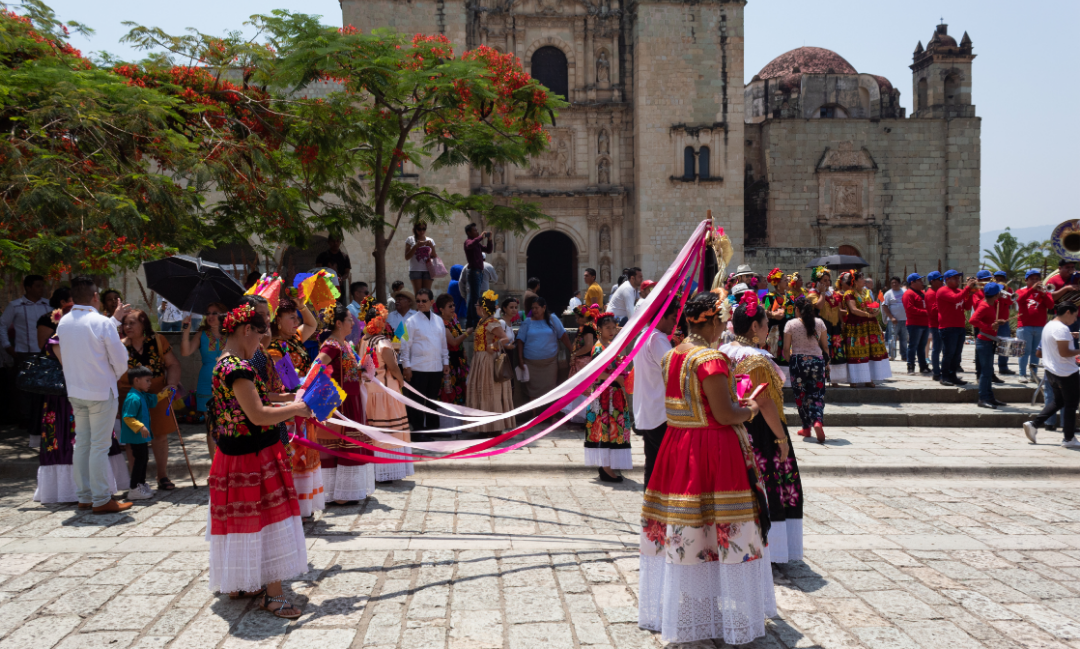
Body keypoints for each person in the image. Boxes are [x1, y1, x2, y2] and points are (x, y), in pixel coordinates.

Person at [638, 292, 774, 645]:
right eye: (721, 321)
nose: (723, 327)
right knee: (719, 524)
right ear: (711, 322)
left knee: (692, 524)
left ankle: (695, 601)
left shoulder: (672, 355)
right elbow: (725, 414)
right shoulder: (710, 359)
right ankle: (714, 603)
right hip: (713, 448)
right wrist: (750, 410)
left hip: (678, 444)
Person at [206, 304, 310, 616]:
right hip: (255, 456)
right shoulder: (239, 367)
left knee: (243, 523)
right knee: (268, 521)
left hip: (235, 454)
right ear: (246, 330)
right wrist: (297, 410)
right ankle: (273, 594)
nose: (263, 339)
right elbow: (257, 414)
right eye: (260, 331)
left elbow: (256, 401)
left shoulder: (224, 363)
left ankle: (244, 580)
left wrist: (290, 400)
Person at [722, 289, 804, 563]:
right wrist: (781, 439)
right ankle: (772, 550)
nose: (769, 327)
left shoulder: (725, 351)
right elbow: (765, 402)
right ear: (755, 326)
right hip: (763, 432)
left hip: (738, 428)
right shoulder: (756, 359)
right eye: (766, 323)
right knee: (771, 486)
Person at [55, 276, 133, 514]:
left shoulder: (64, 322)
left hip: (76, 390)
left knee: (83, 444)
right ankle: (100, 499)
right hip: (100, 390)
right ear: (94, 297)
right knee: (98, 445)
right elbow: (121, 361)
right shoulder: (100, 322)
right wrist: (112, 373)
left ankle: (85, 495)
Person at [266, 293, 323, 517]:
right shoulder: (273, 347)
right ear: (277, 320)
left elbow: (312, 323)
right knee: (294, 453)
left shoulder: (295, 339)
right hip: (288, 405)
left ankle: (304, 506)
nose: (297, 322)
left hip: (303, 400)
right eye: (291, 317)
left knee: (306, 451)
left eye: (295, 316)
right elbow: (284, 380)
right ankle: (294, 506)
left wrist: (302, 306)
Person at [313, 305, 377, 503]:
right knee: (340, 445)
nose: (353, 323)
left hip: (353, 401)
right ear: (339, 323)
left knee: (351, 443)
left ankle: (347, 491)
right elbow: (317, 366)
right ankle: (338, 494)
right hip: (340, 404)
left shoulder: (345, 344)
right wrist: (328, 390)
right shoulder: (331, 345)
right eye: (349, 319)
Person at [117, 309, 181, 491]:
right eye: (125, 324)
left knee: (160, 434)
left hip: (157, 391)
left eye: (132, 323)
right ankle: (137, 480)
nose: (127, 327)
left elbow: (173, 364)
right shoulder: (119, 345)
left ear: (144, 324)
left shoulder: (158, 341)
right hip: (129, 393)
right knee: (134, 436)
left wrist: (172, 384)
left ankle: (162, 476)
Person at [359, 304, 414, 481]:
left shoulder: (364, 340)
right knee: (390, 429)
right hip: (385, 392)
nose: (384, 323)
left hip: (370, 390)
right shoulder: (382, 342)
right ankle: (389, 471)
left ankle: (378, 470)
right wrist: (401, 381)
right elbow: (393, 367)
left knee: (377, 429)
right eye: (382, 320)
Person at [632, 298, 677, 490]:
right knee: (668, 466)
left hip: (648, 411)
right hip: (660, 413)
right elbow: (674, 370)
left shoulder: (643, 336)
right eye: (673, 318)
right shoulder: (657, 338)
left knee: (653, 465)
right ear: (662, 316)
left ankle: (650, 511)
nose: (675, 323)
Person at [1023, 304, 1080, 447]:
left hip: (1052, 371)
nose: (1075, 319)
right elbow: (1065, 352)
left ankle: (1034, 424)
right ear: (1068, 312)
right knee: (1071, 405)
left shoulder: (1049, 325)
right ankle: (1068, 439)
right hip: (1066, 372)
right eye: (1074, 315)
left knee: (1059, 402)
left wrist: (1070, 336)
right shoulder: (1062, 328)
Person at [584, 312, 632, 482]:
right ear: (599, 329)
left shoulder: (609, 345)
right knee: (605, 428)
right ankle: (605, 468)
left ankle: (607, 465)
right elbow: (598, 373)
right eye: (607, 328)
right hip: (605, 394)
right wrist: (618, 377)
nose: (611, 330)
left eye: (613, 327)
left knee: (611, 428)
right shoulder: (599, 347)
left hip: (613, 393)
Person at [2, 274, 50, 429]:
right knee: (25, 388)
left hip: (45, 354)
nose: (41, 289)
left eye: (42, 285)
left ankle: (42, 419)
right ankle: (26, 420)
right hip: (24, 353)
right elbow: (2, 325)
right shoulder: (16, 305)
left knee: (45, 387)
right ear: (28, 288)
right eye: (37, 286)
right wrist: (7, 346)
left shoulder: (48, 306)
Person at [465, 291, 516, 433]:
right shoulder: (482, 322)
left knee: (490, 391)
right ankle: (483, 427)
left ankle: (494, 427)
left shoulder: (492, 323)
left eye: (477, 305)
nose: (476, 308)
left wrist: (493, 346)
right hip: (480, 359)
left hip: (488, 360)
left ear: (482, 308)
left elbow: (505, 338)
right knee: (481, 391)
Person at [400, 289, 450, 433]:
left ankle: (433, 429)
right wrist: (406, 367)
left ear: (431, 302)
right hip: (418, 368)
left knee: (432, 400)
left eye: (424, 301)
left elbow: (443, 343)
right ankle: (418, 431)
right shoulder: (410, 321)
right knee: (417, 401)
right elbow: (405, 345)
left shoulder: (439, 320)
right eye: (418, 301)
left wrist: (445, 362)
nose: (420, 304)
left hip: (436, 367)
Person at [783, 296, 830, 443]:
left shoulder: (791, 324)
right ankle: (817, 421)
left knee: (800, 394)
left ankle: (806, 427)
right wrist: (826, 363)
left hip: (798, 362)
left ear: (797, 309)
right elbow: (825, 347)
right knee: (816, 394)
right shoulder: (820, 323)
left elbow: (785, 349)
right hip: (817, 361)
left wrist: (791, 361)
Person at [179, 303, 226, 451]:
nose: (210, 316)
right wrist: (186, 329)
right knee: (212, 426)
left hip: (228, 382)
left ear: (223, 315)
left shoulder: (231, 333)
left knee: (229, 426)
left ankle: (226, 465)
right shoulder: (202, 334)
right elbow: (185, 352)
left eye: (215, 313)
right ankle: (214, 469)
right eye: (208, 313)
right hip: (207, 382)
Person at [516, 297, 573, 417]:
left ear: (544, 308)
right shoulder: (527, 322)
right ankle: (534, 416)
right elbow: (520, 340)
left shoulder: (553, 319)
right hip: (531, 363)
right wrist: (520, 359)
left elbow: (563, 336)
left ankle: (551, 416)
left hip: (550, 363)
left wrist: (572, 351)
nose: (534, 310)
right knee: (532, 390)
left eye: (537, 308)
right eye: (533, 308)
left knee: (551, 388)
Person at [119, 365, 167, 501]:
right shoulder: (133, 398)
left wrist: (165, 393)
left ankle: (140, 484)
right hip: (136, 436)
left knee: (143, 459)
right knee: (140, 460)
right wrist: (140, 426)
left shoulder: (141, 395)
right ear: (136, 380)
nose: (150, 383)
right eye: (147, 380)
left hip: (140, 437)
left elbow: (153, 401)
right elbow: (128, 417)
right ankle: (134, 488)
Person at [840, 270, 891, 386]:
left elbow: (871, 304)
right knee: (856, 352)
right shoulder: (849, 294)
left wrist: (875, 309)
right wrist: (869, 314)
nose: (864, 280)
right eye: (862, 278)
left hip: (870, 326)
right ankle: (854, 379)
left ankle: (868, 378)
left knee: (870, 351)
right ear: (855, 281)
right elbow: (853, 310)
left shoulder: (865, 292)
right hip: (857, 326)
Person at [807, 267, 848, 387]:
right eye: (824, 280)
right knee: (824, 350)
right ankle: (822, 377)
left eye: (828, 280)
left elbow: (838, 308)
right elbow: (819, 306)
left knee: (836, 352)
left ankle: (835, 379)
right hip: (822, 325)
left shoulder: (832, 293)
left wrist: (841, 322)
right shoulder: (813, 293)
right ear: (818, 281)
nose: (827, 283)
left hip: (834, 326)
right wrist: (823, 293)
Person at [970, 282, 1008, 409]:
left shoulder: (991, 304)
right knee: (985, 372)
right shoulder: (985, 305)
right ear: (996, 294)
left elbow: (988, 320)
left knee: (988, 371)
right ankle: (983, 398)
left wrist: (997, 322)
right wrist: (988, 326)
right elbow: (972, 320)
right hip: (984, 342)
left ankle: (989, 397)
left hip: (988, 341)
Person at [937, 271, 976, 386]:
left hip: (959, 326)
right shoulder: (942, 291)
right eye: (955, 278)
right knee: (949, 354)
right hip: (948, 327)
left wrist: (972, 292)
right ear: (947, 279)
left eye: (959, 278)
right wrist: (967, 288)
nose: (959, 281)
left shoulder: (960, 291)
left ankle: (953, 376)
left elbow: (968, 307)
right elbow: (955, 299)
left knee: (957, 354)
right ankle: (944, 377)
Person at [1016, 270, 1054, 383]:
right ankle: (1022, 374)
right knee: (1024, 351)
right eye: (1032, 279)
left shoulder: (1045, 292)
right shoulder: (1021, 290)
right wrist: (1032, 289)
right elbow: (1019, 299)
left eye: (1037, 279)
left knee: (1036, 352)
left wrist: (1043, 294)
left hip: (1040, 327)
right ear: (1026, 280)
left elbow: (1051, 305)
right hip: (1024, 326)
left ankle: (1033, 375)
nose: (1035, 281)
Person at [437, 293, 470, 406]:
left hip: (460, 361)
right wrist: (468, 333)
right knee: (451, 392)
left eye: (453, 305)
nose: (452, 308)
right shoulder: (441, 323)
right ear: (441, 309)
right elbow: (453, 341)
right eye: (449, 306)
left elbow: (459, 341)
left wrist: (464, 352)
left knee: (463, 391)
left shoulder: (454, 319)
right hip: (449, 363)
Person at [463, 223, 493, 327]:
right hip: (474, 272)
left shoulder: (477, 244)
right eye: (475, 230)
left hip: (479, 273)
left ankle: (470, 322)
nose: (477, 232)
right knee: (475, 298)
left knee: (473, 298)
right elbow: (470, 245)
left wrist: (489, 240)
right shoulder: (468, 242)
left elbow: (488, 250)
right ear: (469, 233)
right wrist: (481, 237)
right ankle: (475, 321)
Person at [902, 273, 931, 375]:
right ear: (912, 282)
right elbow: (910, 309)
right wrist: (926, 312)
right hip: (914, 324)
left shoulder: (922, 292)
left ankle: (923, 367)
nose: (922, 282)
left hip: (925, 323)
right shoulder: (908, 294)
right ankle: (910, 367)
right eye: (919, 280)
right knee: (913, 346)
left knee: (922, 346)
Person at [992, 270, 1016, 375]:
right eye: (996, 279)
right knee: (990, 345)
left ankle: (1003, 367)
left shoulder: (1008, 289)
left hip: (1004, 322)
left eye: (1001, 279)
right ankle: (989, 368)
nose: (998, 281)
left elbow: (1011, 301)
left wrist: (1002, 295)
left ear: (1005, 280)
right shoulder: (991, 289)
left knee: (1005, 345)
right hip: (992, 322)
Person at [404, 221, 438, 294]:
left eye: (424, 229)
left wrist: (431, 246)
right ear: (415, 229)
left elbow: (434, 256)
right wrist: (416, 246)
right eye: (419, 229)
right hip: (415, 270)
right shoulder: (410, 239)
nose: (422, 231)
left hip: (428, 270)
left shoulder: (430, 240)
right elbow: (407, 257)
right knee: (418, 294)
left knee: (427, 294)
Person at [882, 276, 908, 362]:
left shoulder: (905, 292)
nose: (894, 284)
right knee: (892, 339)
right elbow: (885, 306)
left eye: (895, 282)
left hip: (905, 320)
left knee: (904, 339)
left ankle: (904, 355)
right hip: (893, 321)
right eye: (892, 283)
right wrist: (891, 317)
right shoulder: (888, 294)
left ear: (899, 283)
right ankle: (891, 355)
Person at [925, 271, 944, 381]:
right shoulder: (931, 293)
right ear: (932, 281)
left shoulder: (936, 292)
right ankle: (936, 372)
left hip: (941, 324)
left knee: (940, 348)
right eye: (940, 280)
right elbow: (933, 311)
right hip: (935, 325)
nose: (942, 282)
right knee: (937, 348)